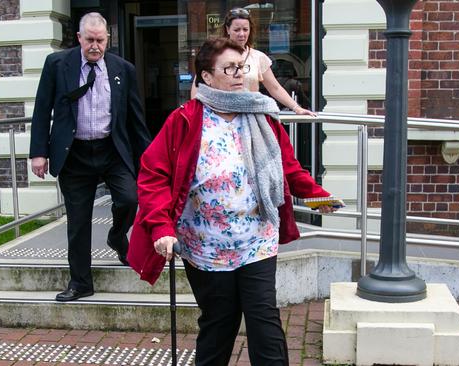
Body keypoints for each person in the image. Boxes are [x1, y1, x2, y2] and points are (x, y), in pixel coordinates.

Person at [128, 38, 338, 365]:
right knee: (218, 322)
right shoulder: (184, 120)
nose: (239, 74)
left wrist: (315, 196)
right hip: (205, 245)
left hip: (257, 238)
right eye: (229, 68)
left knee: (264, 319)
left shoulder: (260, 115)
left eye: (241, 67)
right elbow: (153, 175)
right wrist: (161, 228)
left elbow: (287, 167)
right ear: (207, 77)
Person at [29, 12, 151, 302]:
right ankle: (80, 282)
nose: (95, 46)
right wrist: (38, 153)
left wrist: (149, 159)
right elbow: (42, 108)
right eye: (90, 40)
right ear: (79, 38)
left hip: (112, 150)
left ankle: (117, 238)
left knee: (129, 199)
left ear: (108, 39)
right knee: (79, 220)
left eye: (100, 40)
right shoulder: (57, 64)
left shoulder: (123, 69)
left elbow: (136, 119)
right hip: (75, 153)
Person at [191, 7, 317, 117]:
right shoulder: (214, 55)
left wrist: (296, 108)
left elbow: (275, 88)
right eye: (237, 30)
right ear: (227, 29)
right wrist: (196, 114)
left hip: (250, 117)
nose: (242, 34)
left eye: (245, 29)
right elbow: (198, 86)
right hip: (220, 116)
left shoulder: (258, 57)